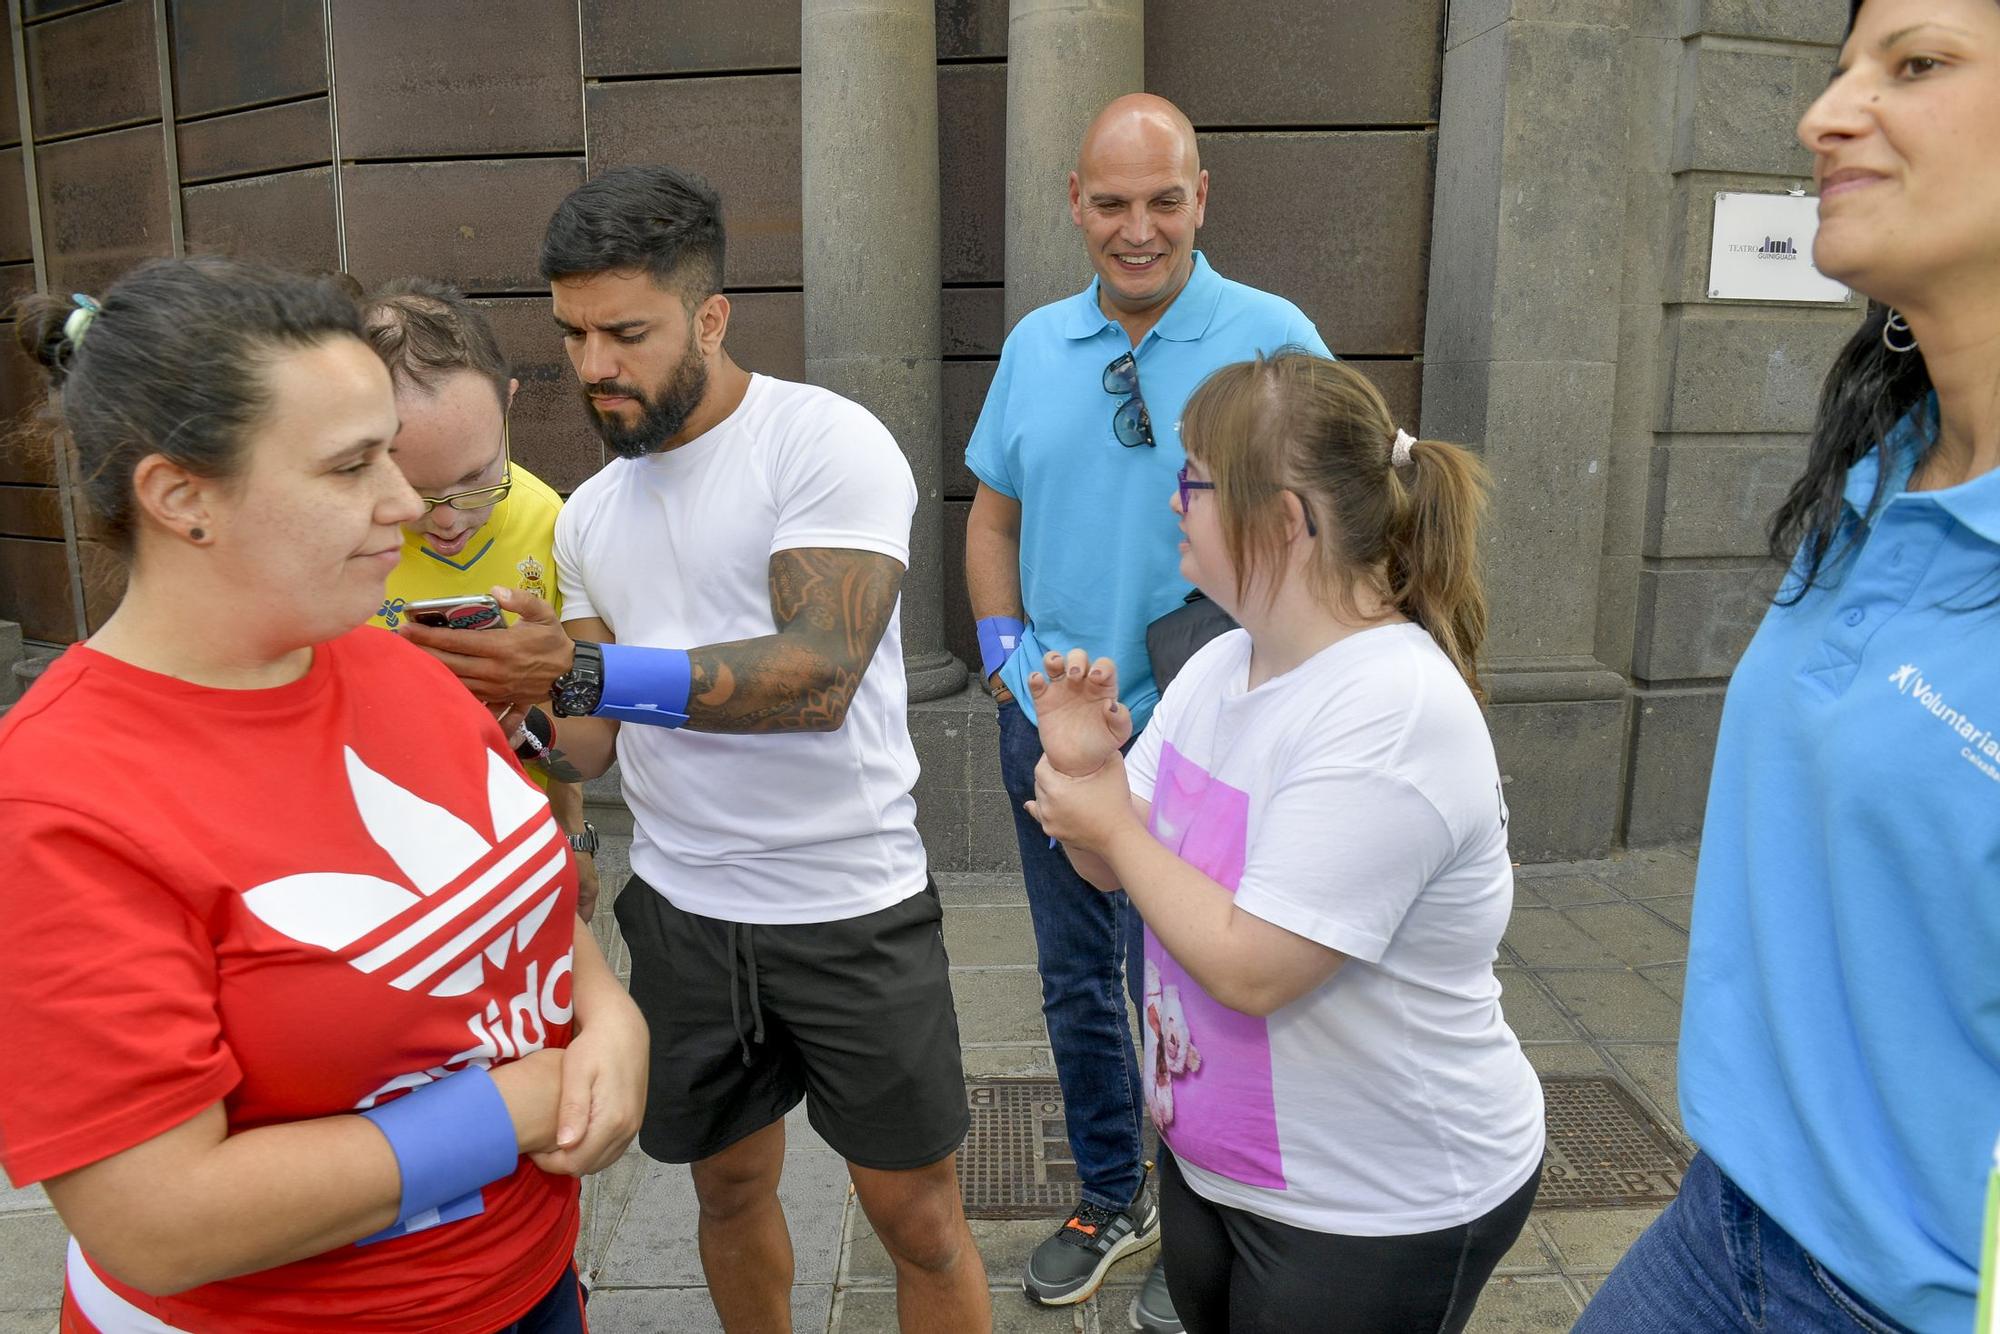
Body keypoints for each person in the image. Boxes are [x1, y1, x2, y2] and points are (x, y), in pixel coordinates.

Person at [393, 166, 992, 1333]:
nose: (594, 363)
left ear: (709, 317)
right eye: (572, 332)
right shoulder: (587, 518)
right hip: (680, 911)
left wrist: (568, 667)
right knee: (725, 1187)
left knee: (915, 1215)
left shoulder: (822, 442)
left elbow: (815, 673)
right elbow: (593, 746)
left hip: (849, 905)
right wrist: (501, 697)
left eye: (626, 331)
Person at [0, 257, 647, 1333]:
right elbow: (157, 1218)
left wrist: (610, 1015)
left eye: (390, 450)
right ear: (179, 497)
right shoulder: (57, 799)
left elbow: (512, 889)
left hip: (525, 1283)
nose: (403, 501)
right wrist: (515, 1103)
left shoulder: (399, 664)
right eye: (351, 466)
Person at [1575, 1, 2000, 1329]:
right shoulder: (1879, 470)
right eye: (1833, 74)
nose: (1823, 116)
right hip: (1725, 1226)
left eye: (1916, 64)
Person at [1022, 350, 1544, 1334]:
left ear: (1286, 520)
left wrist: (1107, 825)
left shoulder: (1389, 707)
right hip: (1219, 1169)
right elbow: (1106, 859)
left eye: (1193, 480)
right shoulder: (1221, 661)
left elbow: (1252, 964)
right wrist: (1088, 775)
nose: (1173, 501)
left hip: (1374, 1204)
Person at [961, 91, 1331, 1327]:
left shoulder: (1271, 336)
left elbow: (1329, 523)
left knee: (1201, 993)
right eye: (1110, 202)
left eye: (1162, 200)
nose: (1137, 229)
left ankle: (1211, 1229)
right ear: (1073, 203)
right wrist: (1005, 653)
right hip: (1056, 725)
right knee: (1076, 979)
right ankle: (1113, 1191)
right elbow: (992, 515)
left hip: (1206, 736)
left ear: (1202, 197)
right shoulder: (1030, 345)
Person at [358, 278, 601, 921]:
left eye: (475, 478)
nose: (447, 520)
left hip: (524, 847)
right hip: (387, 862)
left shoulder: (553, 520)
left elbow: (573, 727)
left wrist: (575, 835)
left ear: (509, 404)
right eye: (414, 490)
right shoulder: (343, 543)